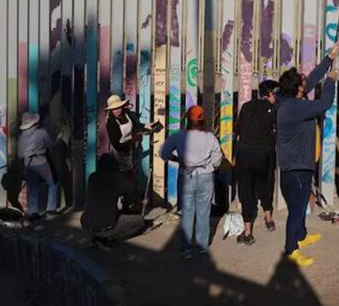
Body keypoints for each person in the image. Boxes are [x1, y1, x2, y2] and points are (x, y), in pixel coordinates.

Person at [276, 41, 339, 268]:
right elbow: (324, 103)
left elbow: (312, 80)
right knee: (296, 208)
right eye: (303, 83)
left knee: (301, 204)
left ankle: (301, 235)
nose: (307, 83)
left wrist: (329, 58)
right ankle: (291, 248)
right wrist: (332, 80)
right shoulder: (293, 108)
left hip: (297, 166)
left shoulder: (290, 99)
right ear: (298, 90)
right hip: (295, 169)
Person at [159, 105, 224, 259]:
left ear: (187, 119)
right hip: (206, 175)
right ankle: (202, 245)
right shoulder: (210, 138)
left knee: (187, 213)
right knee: (204, 211)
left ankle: (186, 248)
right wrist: (210, 166)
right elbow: (217, 159)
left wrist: (177, 159)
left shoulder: (177, 136)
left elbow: (163, 152)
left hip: (186, 175)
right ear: (202, 121)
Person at [234, 80, 278, 245]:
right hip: (263, 154)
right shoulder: (273, 110)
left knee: (246, 190)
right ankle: (268, 218)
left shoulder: (246, 106)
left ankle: (247, 231)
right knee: (265, 185)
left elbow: (237, 129)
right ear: (268, 95)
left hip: (244, 154)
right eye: (275, 93)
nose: (277, 97)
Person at [81, 153, 140, 249]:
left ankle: (97, 236)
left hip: (86, 222)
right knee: (139, 221)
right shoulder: (115, 177)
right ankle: (107, 238)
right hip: (106, 224)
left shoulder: (92, 177)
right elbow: (131, 189)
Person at [18, 111, 59, 219]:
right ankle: (51, 208)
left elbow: (20, 154)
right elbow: (51, 145)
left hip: (28, 164)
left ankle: (33, 211)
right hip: (41, 162)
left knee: (33, 188)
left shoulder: (21, 137)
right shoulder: (41, 133)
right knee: (53, 183)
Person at [105, 94, 147, 186]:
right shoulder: (111, 123)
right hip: (118, 152)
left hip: (129, 149)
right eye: (115, 109)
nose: (118, 110)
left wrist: (146, 126)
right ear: (111, 110)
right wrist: (133, 140)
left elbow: (136, 125)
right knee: (124, 177)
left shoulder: (127, 114)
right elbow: (116, 145)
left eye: (119, 107)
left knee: (130, 175)